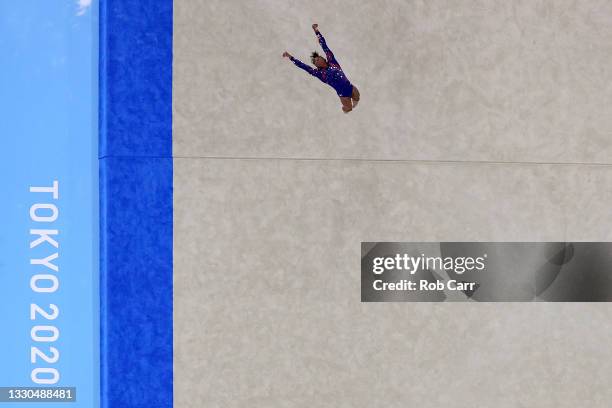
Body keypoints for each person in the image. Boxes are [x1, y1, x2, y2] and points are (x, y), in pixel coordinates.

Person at [283, 24, 360, 113]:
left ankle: (354, 102)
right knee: (349, 109)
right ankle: (345, 110)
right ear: (316, 66)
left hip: (350, 87)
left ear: (324, 58)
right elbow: (303, 66)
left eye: (318, 58)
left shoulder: (332, 61)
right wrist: (290, 57)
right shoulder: (319, 73)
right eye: (315, 61)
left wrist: (316, 31)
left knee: (357, 97)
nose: (317, 60)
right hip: (343, 95)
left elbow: (324, 45)